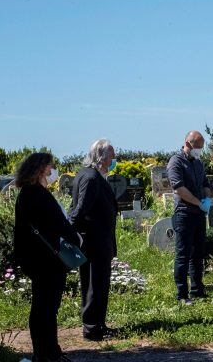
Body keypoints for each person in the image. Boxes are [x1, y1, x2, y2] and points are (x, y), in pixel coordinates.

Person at [14, 153, 82, 362]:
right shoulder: (38, 194)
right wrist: (76, 239)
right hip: (49, 260)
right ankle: (48, 353)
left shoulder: (26, 193)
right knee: (47, 308)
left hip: (34, 259)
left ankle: (45, 352)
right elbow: (59, 224)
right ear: (41, 168)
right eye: (51, 166)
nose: (53, 170)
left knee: (42, 307)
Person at [69, 139, 119, 342]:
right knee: (94, 283)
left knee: (97, 284)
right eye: (111, 155)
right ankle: (92, 327)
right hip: (94, 240)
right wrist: (70, 232)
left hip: (98, 238)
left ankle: (98, 323)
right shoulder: (91, 178)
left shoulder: (90, 174)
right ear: (101, 156)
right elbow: (80, 209)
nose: (114, 159)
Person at [167, 131, 211, 304]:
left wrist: (206, 198)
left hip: (199, 214)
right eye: (198, 146)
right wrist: (197, 202)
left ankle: (197, 289)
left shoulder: (198, 162)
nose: (200, 150)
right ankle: (182, 294)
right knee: (183, 254)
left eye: (202, 147)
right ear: (188, 143)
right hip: (184, 213)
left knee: (198, 254)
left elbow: (205, 184)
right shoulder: (176, 161)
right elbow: (179, 188)